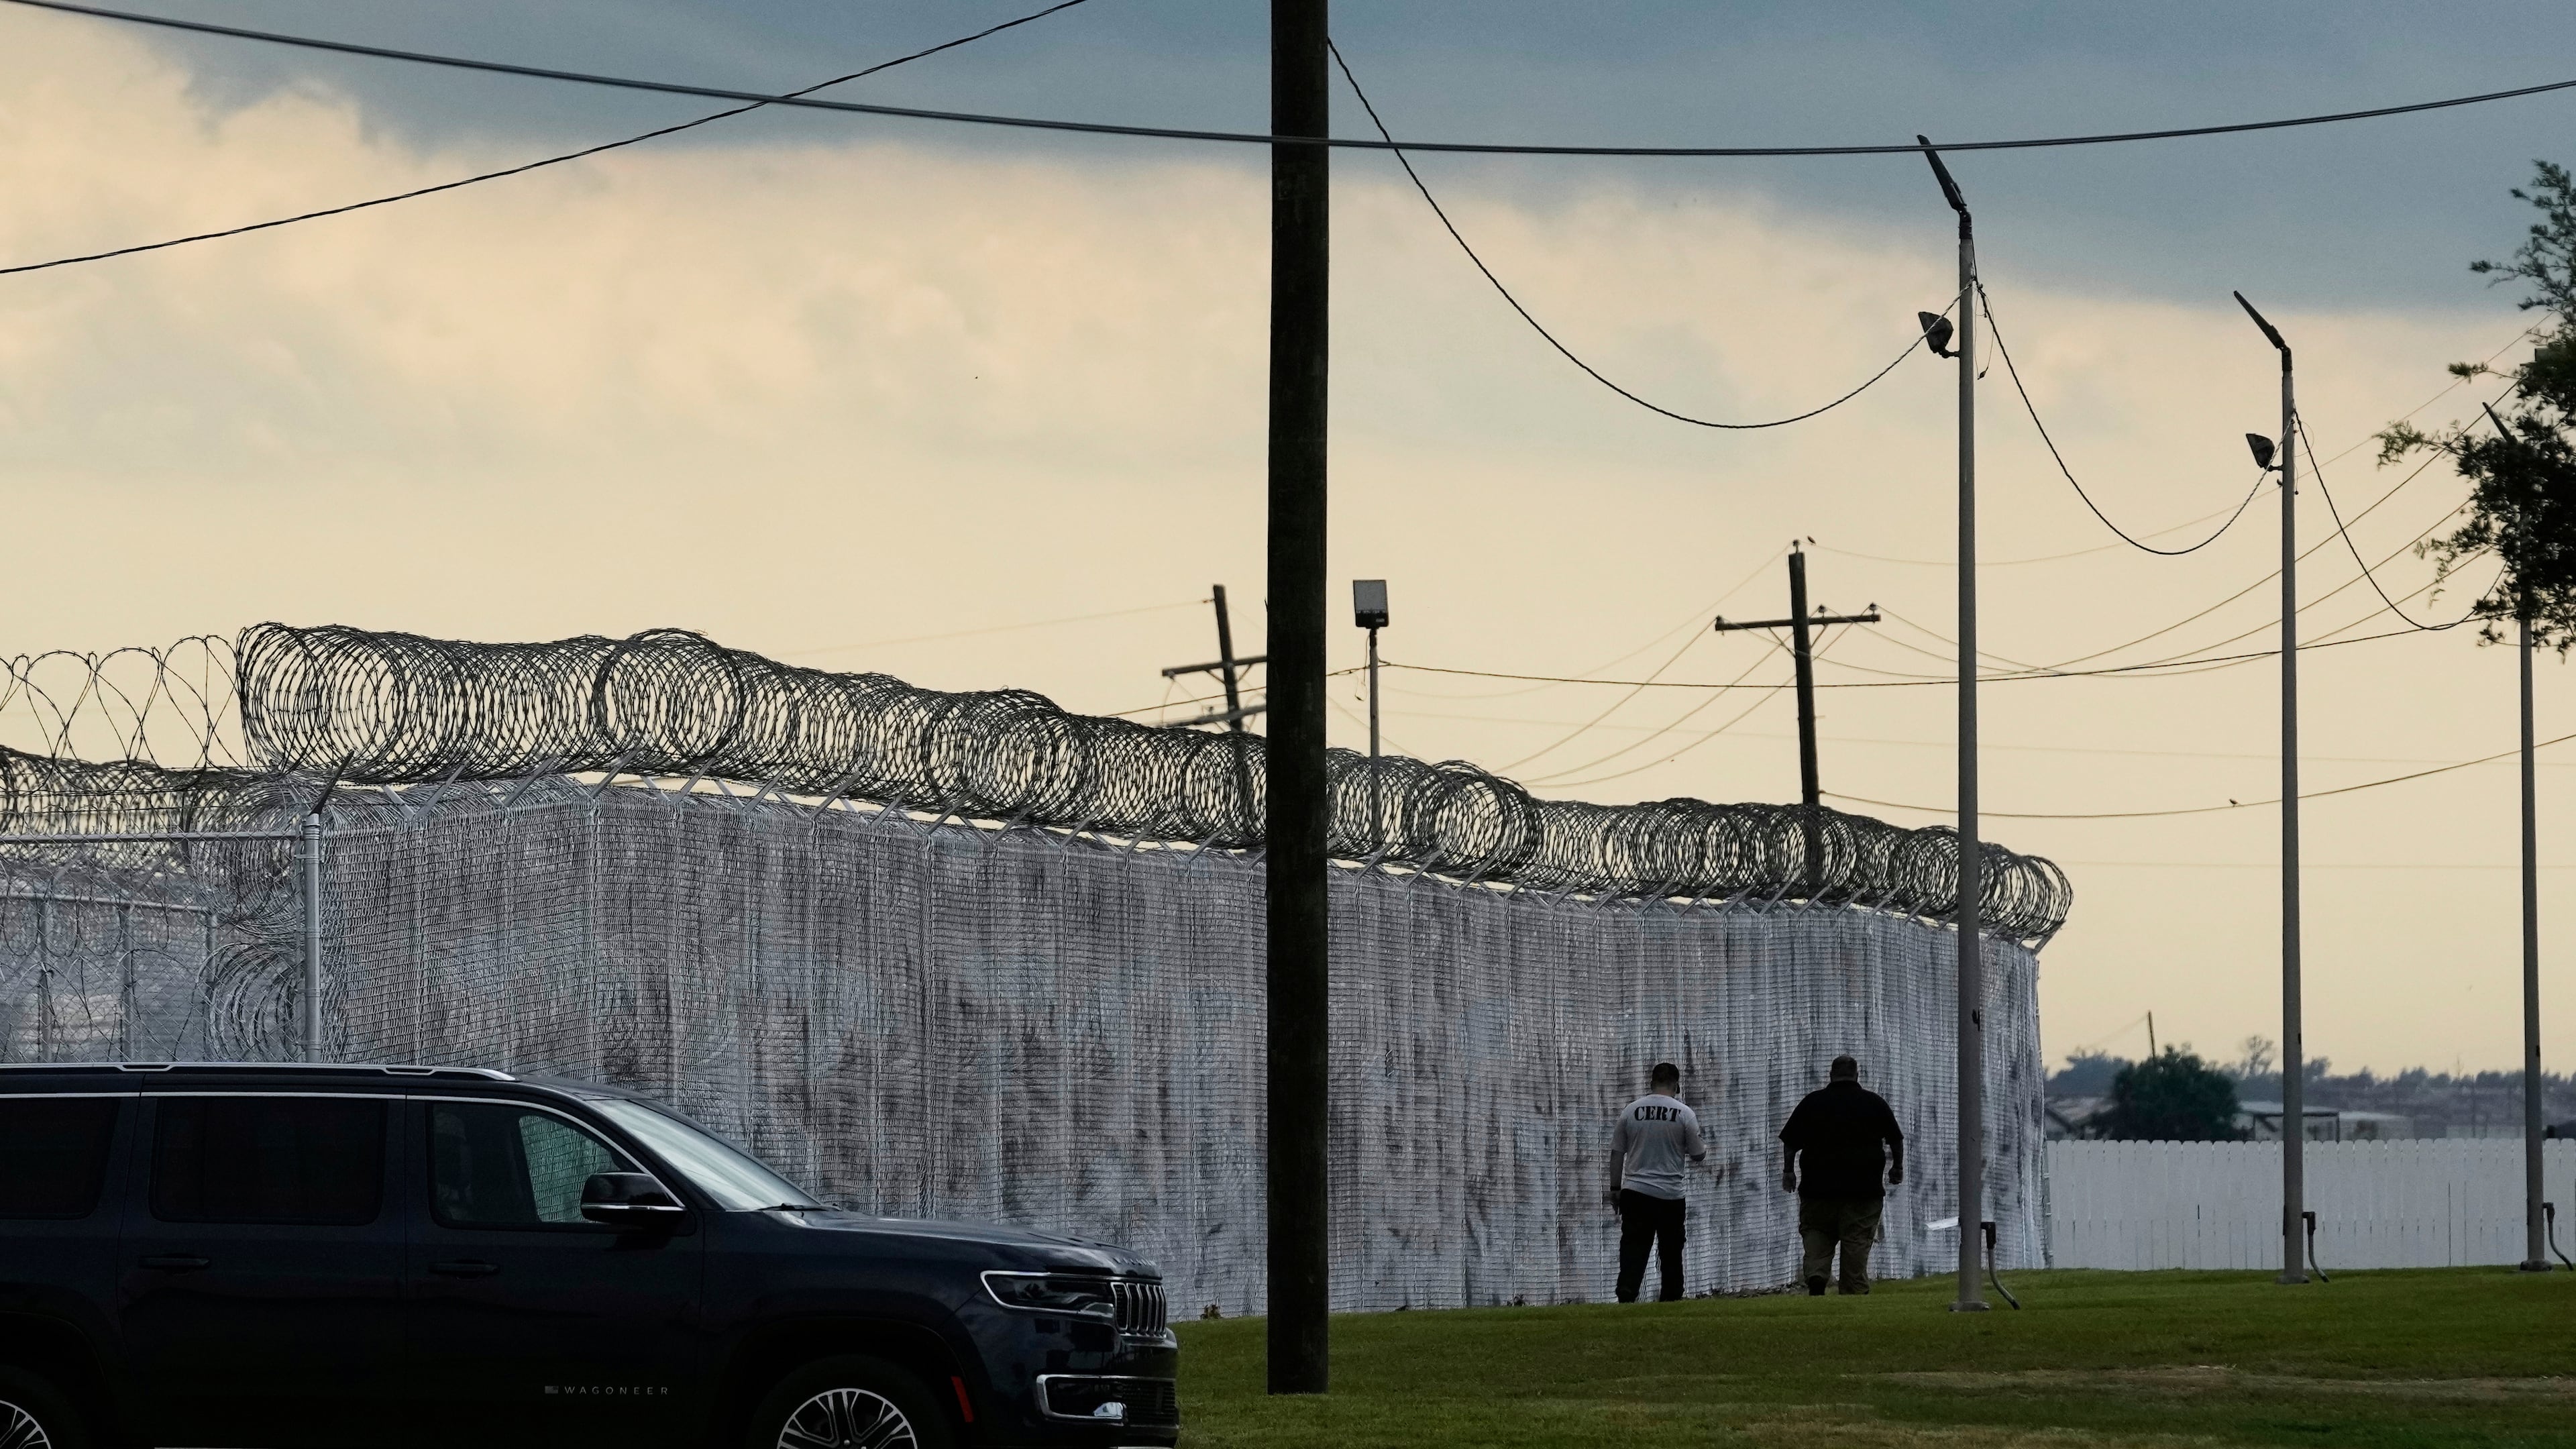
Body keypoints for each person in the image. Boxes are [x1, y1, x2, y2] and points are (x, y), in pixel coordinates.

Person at [1779, 1054, 1904, 1295]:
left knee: (1817, 1235)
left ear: (1831, 1075)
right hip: (1863, 1191)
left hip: (1818, 1190)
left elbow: (1791, 1143)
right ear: (1857, 1075)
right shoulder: (1874, 1103)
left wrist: (1788, 1171)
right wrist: (1896, 1167)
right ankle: (1853, 1287)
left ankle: (1817, 1275)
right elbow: (1895, 1139)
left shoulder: (1812, 1103)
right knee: (1856, 1241)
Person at [1607, 1061, 1707, 1303]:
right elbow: (1698, 1154)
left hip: (1636, 1192)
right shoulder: (1684, 1114)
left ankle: (1627, 1293)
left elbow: (1617, 1153)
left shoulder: (1631, 1111)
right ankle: (1671, 1296)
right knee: (1671, 1251)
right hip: (1670, 1195)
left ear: (1651, 1083)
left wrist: (1615, 1189)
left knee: (1633, 1247)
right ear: (1676, 1085)